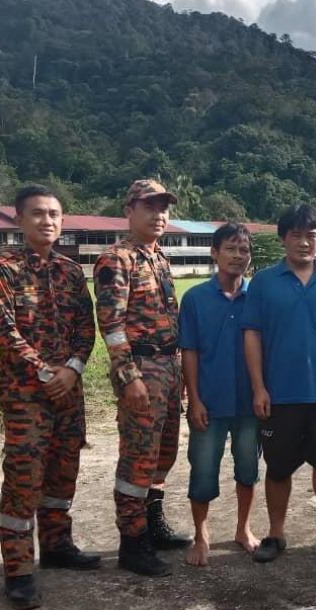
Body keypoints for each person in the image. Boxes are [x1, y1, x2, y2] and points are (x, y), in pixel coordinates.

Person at [0, 185, 100, 610]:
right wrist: (47, 372)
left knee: (63, 472)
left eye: (53, 214)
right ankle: (18, 570)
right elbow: (3, 331)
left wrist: (73, 368)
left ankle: (56, 545)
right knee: (23, 479)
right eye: (37, 213)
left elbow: (86, 327)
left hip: (69, 390)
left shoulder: (70, 271)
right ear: (18, 219)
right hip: (26, 396)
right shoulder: (3, 268)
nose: (46, 220)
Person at [243, 203, 316, 562]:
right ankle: (276, 534)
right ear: (283, 238)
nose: (304, 242)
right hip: (279, 396)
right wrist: (259, 387)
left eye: (312, 235)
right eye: (296, 235)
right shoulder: (264, 282)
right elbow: (252, 335)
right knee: (278, 469)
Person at [94, 178, 192, 578]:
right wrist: (128, 375)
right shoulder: (117, 259)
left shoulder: (159, 258)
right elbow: (111, 324)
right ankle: (132, 543)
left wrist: (180, 372)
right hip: (140, 370)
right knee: (138, 458)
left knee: (163, 455)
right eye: (149, 206)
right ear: (129, 211)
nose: (159, 215)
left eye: (163, 207)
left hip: (167, 369)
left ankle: (153, 525)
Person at [179, 223, 261, 566]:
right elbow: (190, 351)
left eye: (244, 250)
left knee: (248, 469)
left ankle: (243, 528)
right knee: (202, 472)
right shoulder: (195, 298)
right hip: (209, 403)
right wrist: (194, 399)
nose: (238, 256)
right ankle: (201, 534)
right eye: (230, 248)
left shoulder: (258, 297)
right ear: (215, 253)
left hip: (249, 403)